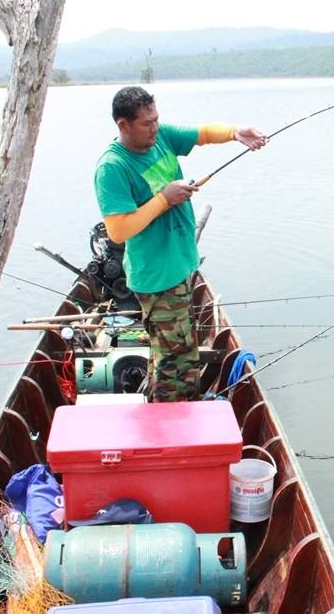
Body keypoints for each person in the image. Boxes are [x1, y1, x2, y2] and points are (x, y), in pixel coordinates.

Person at [94, 86, 267, 402]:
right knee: (179, 362)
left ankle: (166, 408)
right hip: (157, 276)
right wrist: (164, 198)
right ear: (123, 125)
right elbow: (118, 231)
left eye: (156, 119)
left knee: (170, 353)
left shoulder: (159, 138)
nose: (155, 128)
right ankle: (172, 421)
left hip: (181, 264)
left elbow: (201, 133)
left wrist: (235, 133)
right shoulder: (113, 167)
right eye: (147, 123)